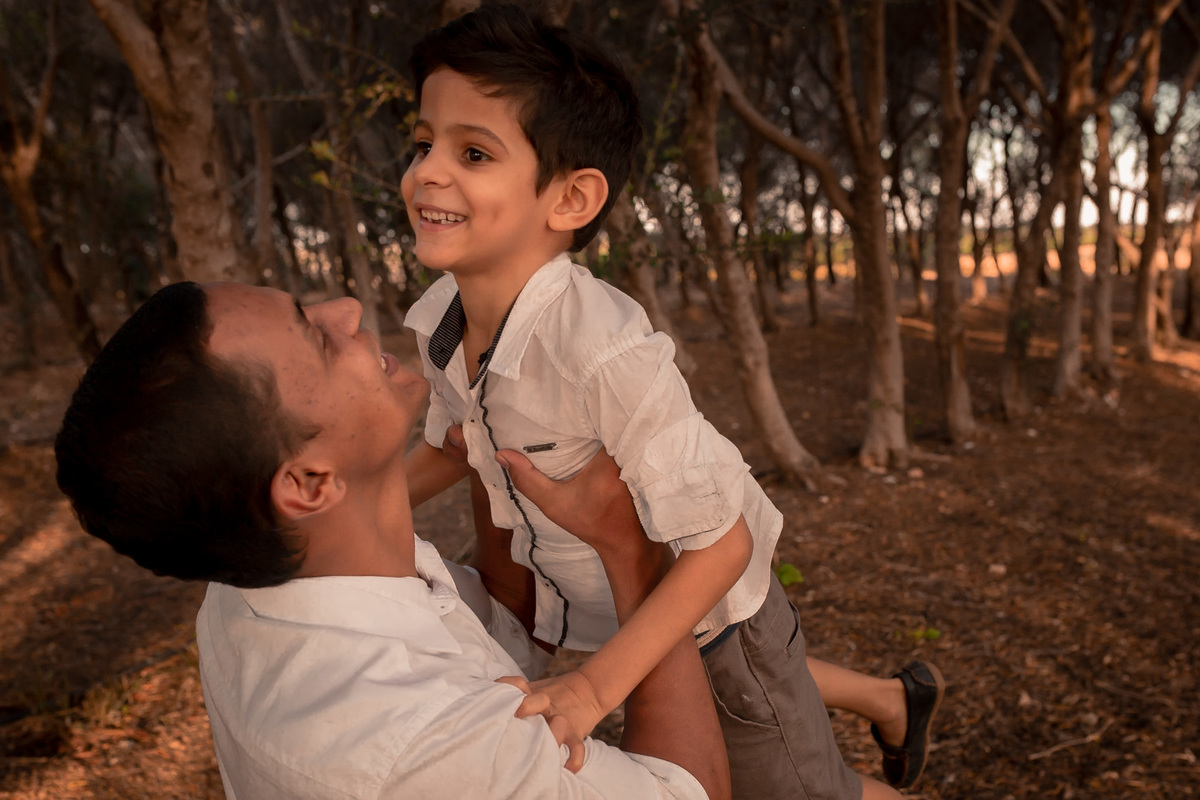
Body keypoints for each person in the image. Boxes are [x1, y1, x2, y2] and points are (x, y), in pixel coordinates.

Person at [398, 5, 944, 799]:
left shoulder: (601, 348)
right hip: (625, 624)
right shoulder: (440, 322)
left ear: (572, 199)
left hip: (715, 629)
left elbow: (722, 545)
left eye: (473, 152)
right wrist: (320, 517)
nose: (427, 172)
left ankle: (887, 711)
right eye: (422, 144)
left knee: (805, 792)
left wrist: (595, 689)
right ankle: (894, 701)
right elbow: (452, 447)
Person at [54, 280, 731, 800]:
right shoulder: (427, 747)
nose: (346, 310)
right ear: (310, 483)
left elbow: (502, 627)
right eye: (317, 339)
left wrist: (490, 449)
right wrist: (629, 550)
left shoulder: (249, 580)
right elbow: (688, 791)